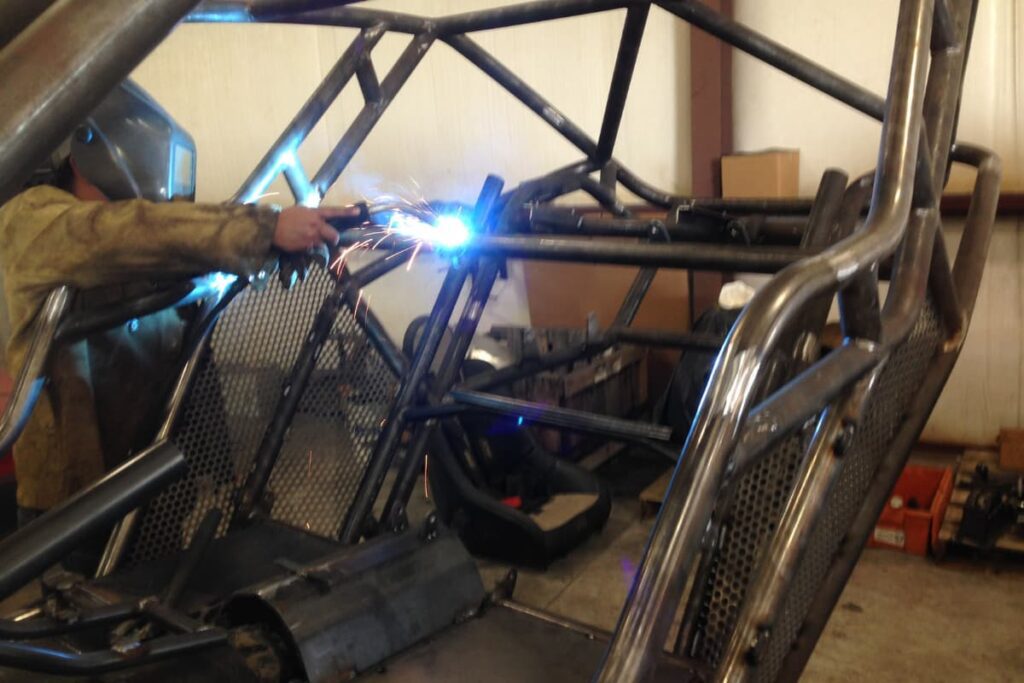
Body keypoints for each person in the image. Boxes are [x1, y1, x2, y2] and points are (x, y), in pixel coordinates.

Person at [0, 79, 357, 526]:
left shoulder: (158, 232)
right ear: (86, 153)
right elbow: (122, 233)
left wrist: (221, 466)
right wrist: (264, 229)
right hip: (73, 507)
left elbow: (186, 309)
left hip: (150, 481)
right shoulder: (32, 217)